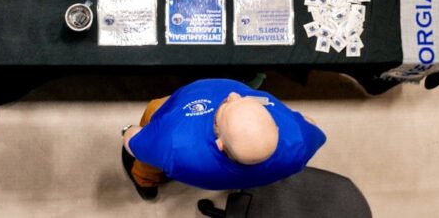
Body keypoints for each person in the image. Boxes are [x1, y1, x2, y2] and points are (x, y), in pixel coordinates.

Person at [121, 79, 326, 200]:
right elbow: (312, 124)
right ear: (277, 127)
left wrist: (128, 130)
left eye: (225, 107)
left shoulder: (174, 145)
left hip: (166, 141)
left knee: (155, 110)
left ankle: (145, 182)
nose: (233, 95)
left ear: (219, 144)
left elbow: (134, 143)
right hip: (234, 177)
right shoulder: (298, 143)